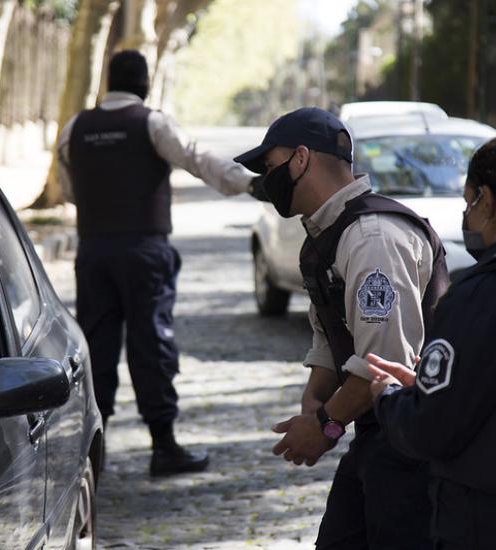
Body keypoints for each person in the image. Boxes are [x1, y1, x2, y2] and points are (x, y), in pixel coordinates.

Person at [234, 107, 449, 549]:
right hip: (379, 433)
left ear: (300, 159)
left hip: (415, 444)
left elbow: (385, 363)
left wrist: (325, 424)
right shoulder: (329, 234)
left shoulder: (372, 238)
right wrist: (315, 398)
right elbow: (330, 332)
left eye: (271, 166)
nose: (267, 180)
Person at [56, 50, 260, 476]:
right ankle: (163, 446)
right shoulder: (153, 123)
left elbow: (70, 191)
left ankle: (93, 456)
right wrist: (249, 183)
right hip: (144, 252)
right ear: (145, 83)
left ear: (108, 82)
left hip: (94, 253)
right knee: (152, 344)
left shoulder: (75, 128)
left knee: (96, 347)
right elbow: (197, 159)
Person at [367, 133, 496, 550]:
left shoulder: (491, 292)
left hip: (491, 523)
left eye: (467, 201)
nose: (465, 215)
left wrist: (390, 396)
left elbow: (428, 430)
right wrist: (426, 388)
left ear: (485, 200)